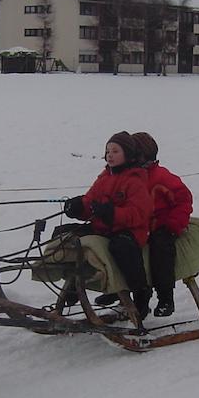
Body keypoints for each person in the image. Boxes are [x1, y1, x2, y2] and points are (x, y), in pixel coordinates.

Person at [63, 131, 154, 319]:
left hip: (129, 232)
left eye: (115, 151)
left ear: (127, 154)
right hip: (104, 228)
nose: (109, 155)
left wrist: (112, 213)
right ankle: (72, 286)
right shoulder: (104, 177)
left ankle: (141, 292)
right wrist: (78, 207)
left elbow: (139, 214)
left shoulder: (135, 180)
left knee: (121, 247)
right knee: (68, 236)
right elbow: (90, 202)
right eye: (107, 151)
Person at [130, 131, 193, 317]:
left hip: (161, 226)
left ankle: (166, 296)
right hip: (138, 227)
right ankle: (128, 293)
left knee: (161, 249)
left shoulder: (161, 177)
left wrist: (172, 224)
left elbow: (184, 200)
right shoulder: (129, 177)